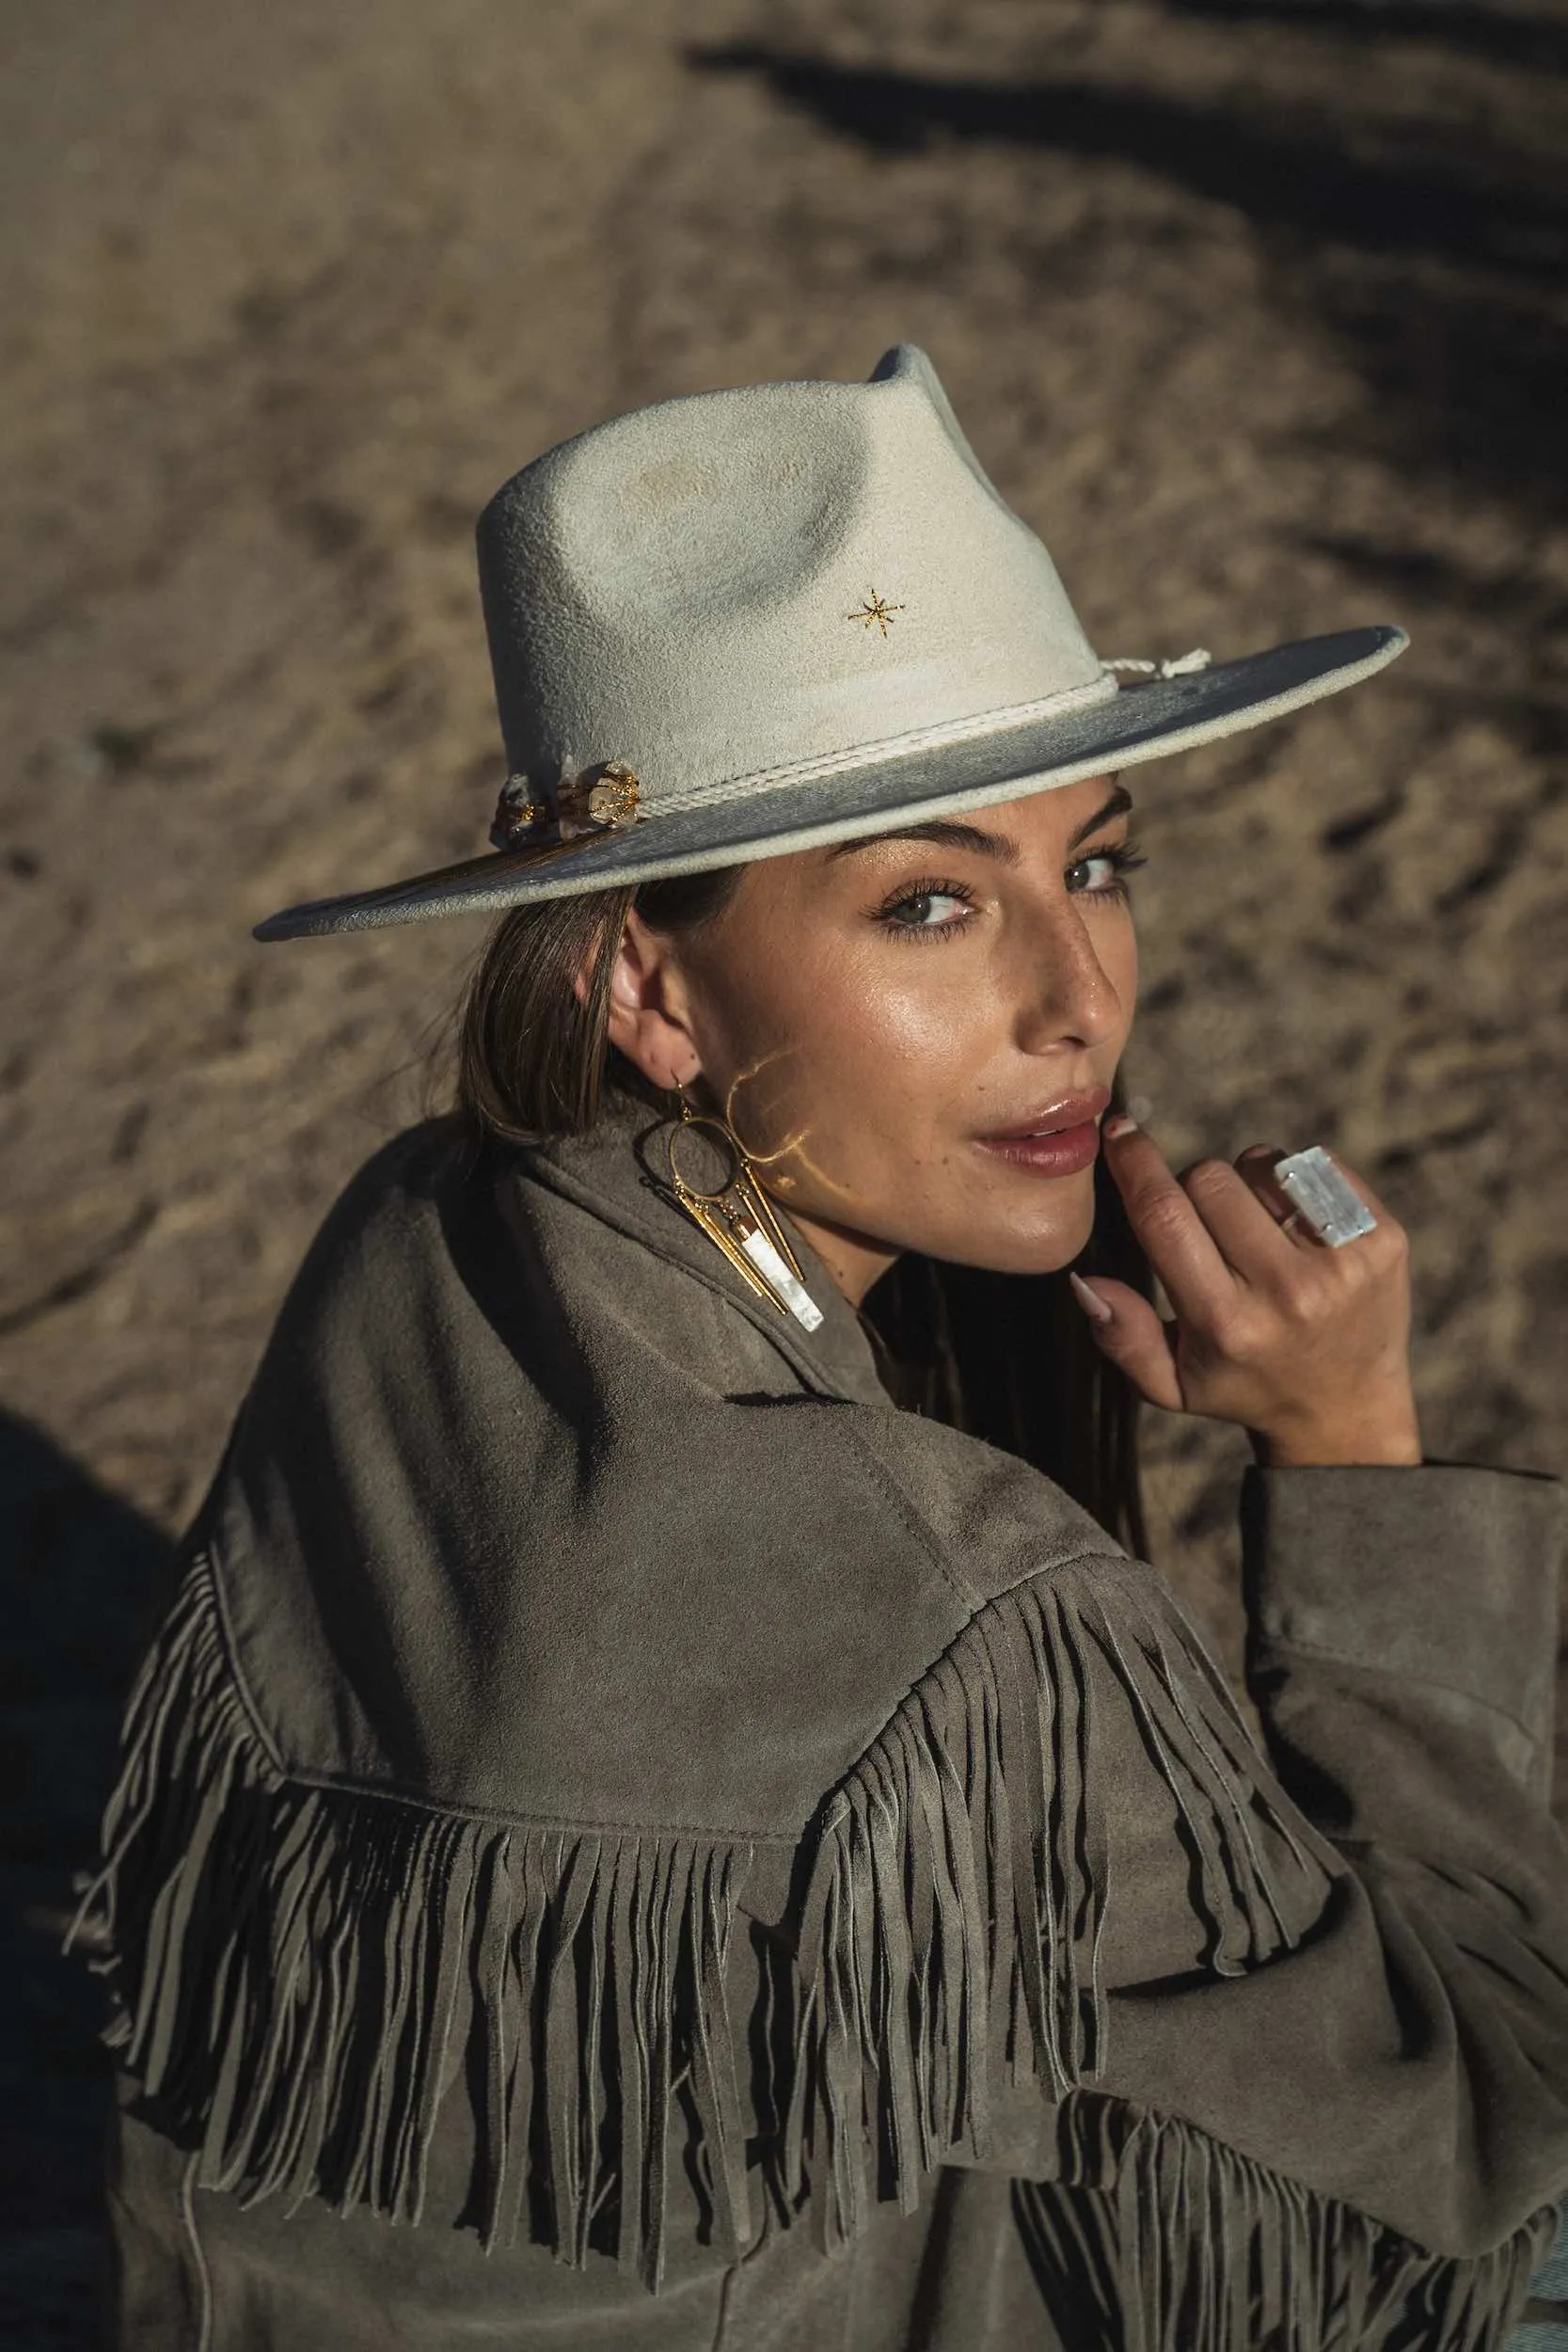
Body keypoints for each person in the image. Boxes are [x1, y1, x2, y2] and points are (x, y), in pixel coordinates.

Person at [82, 346, 1568, 2351]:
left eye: (1096, 862)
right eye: (931, 904)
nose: (1076, 1002)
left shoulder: (421, 1246)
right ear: (645, 983)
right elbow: (1468, 2158)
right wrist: (1350, 1458)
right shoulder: (956, 1618)